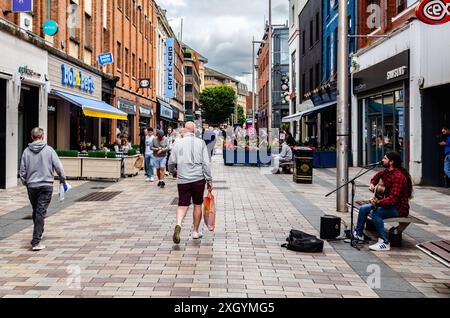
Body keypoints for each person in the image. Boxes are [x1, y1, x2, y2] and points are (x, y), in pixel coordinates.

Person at [354, 151, 413, 251]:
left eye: (385, 158)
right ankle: (359, 235)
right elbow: (375, 177)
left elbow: (393, 199)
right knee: (364, 208)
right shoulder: (386, 172)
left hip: (398, 208)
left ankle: (384, 242)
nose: (382, 160)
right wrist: (372, 184)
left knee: (375, 213)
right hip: (389, 205)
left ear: (391, 162)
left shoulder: (398, 177)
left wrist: (377, 202)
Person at [20, 128, 66, 251]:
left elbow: (22, 170)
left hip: (32, 186)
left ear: (32, 137)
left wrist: (25, 182)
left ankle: (37, 234)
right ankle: (36, 241)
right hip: (46, 186)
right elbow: (58, 166)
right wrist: (63, 179)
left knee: (37, 211)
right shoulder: (49, 150)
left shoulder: (26, 152)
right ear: (43, 136)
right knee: (39, 212)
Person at [168, 122, 213, 244]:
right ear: (194, 130)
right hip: (198, 179)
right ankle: (195, 231)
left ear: (185, 130)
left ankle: (178, 224)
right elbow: (206, 163)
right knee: (197, 204)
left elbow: (171, 162)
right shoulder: (201, 143)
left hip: (183, 179)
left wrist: (173, 171)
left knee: (182, 204)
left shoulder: (178, 143)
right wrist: (209, 179)